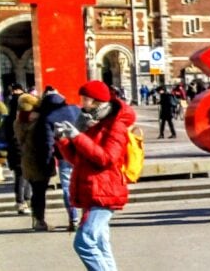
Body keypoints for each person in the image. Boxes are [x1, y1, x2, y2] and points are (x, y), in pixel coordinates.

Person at [55, 80, 134, 271]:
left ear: (97, 101)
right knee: (99, 243)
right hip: (91, 189)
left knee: (84, 242)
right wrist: (64, 140)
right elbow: (77, 159)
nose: (82, 104)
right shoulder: (88, 123)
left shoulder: (115, 126)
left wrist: (77, 137)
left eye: (85, 99)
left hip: (105, 192)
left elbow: (106, 158)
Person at [16, 93, 59, 232]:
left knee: (36, 191)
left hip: (27, 159)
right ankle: (39, 220)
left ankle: (37, 219)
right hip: (39, 158)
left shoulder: (18, 121)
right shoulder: (38, 121)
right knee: (40, 192)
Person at [43, 94, 82, 233]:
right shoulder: (76, 109)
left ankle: (73, 219)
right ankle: (86, 217)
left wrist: (49, 161)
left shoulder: (48, 117)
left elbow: (48, 143)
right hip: (82, 151)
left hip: (63, 155)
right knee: (84, 184)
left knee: (67, 187)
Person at [4, 83, 32, 215]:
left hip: (14, 148)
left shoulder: (9, 117)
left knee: (20, 176)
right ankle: (24, 201)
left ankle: (22, 202)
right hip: (25, 147)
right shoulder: (27, 116)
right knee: (25, 175)